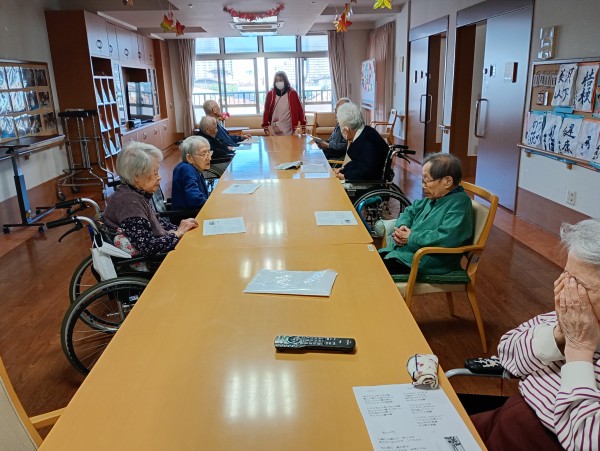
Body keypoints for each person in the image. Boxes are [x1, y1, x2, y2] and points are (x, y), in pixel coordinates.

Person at [471, 219, 600, 451]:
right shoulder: (570, 317)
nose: (566, 291)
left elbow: (586, 441)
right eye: (566, 275)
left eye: (579, 285)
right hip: (504, 418)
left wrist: (579, 352)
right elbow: (507, 354)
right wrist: (559, 335)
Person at [379, 153, 473, 275]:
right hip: (409, 253)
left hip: (426, 261)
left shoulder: (459, 203)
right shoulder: (435, 197)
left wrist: (411, 237)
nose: (423, 186)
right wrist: (403, 226)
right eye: (422, 181)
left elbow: (447, 237)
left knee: (373, 271)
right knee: (368, 261)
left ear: (448, 181)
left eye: (427, 181)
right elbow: (410, 211)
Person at [103, 141, 198, 257]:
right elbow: (148, 246)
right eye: (154, 173)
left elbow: (155, 223)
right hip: (151, 261)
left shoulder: (134, 192)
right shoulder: (129, 204)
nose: (159, 177)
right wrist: (177, 233)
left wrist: (180, 228)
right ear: (137, 176)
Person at [333, 102, 388, 181]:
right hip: (368, 178)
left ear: (346, 129)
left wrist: (344, 176)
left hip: (370, 183)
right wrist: (343, 169)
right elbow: (358, 163)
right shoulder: (366, 132)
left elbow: (366, 171)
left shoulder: (366, 141)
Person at [171, 136, 211, 211]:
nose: (209, 158)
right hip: (188, 215)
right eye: (204, 154)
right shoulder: (186, 169)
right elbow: (195, 199)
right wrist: (211, 204)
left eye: (209, 153)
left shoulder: (193, 168)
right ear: (189, 158)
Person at [262, 71, 306, 136]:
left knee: (291, 142)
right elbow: (266, 110)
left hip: (289, 127)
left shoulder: (293, 93)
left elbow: (300, 109)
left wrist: (303, 124)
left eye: (280, 80)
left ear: (285, 81)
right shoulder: (270, 94)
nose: (278, 82)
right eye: (276, 80)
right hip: (275, 127)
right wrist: (265, 125)